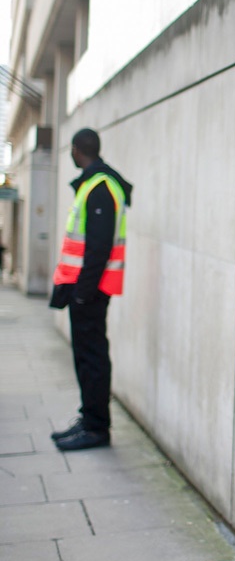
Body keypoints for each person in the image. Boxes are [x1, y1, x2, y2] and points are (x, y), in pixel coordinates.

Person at [49, 128, 133, 451]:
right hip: (85, 290)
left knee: (92, 358)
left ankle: (96, 428)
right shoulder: (93, 183)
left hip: (91, 292)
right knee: (86, 357)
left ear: (76, 150)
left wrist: (82, 294)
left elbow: (97, 248)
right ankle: (89, 418)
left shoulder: (99, 187)